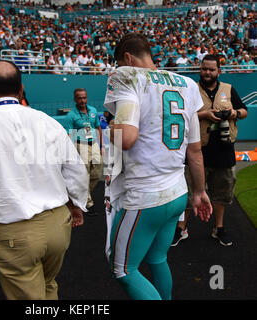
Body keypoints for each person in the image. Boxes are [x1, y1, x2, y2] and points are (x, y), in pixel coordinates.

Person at [0, 60, 88, 300]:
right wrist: (77, 205)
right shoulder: (48, 122)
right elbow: (75, 171)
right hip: (57, 226)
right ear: (21, 90)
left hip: (14, 231)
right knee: (48, 285)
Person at [103, 33, 212, 300]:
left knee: (123, 270)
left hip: (146, 195)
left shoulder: (126, 76)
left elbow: (126, 138)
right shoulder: (186, 83)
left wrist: (105, 131)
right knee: (157, 259)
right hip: (178, 191)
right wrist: (199, 192)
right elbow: (195, 151)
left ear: (127, 58)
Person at [172, 54, 248, 247]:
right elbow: (180, 115)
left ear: (219, 71)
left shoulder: (228, 89)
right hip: (196, 150)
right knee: (188, 192)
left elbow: (244, 111)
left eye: (211, 69)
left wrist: (233, 113)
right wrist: (204, 114)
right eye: (204, 68)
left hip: (224, 150)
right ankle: (181, 228)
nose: (207, 72)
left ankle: (218, 228)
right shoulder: (191, 89)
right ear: (200, 69)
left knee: (221, 193)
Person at [64, 88, 103, 216]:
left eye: (84, 97)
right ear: (75, 99)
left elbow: (97, 127)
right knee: (84, 174)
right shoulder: (71, 115)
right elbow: (69, 135)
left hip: (95, 144)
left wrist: (101, 145)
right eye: (79, 98)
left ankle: (83, 194)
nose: (82, 100)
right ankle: (88, 202)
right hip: (81, 145)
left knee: (97, 172)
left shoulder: (93, 110)